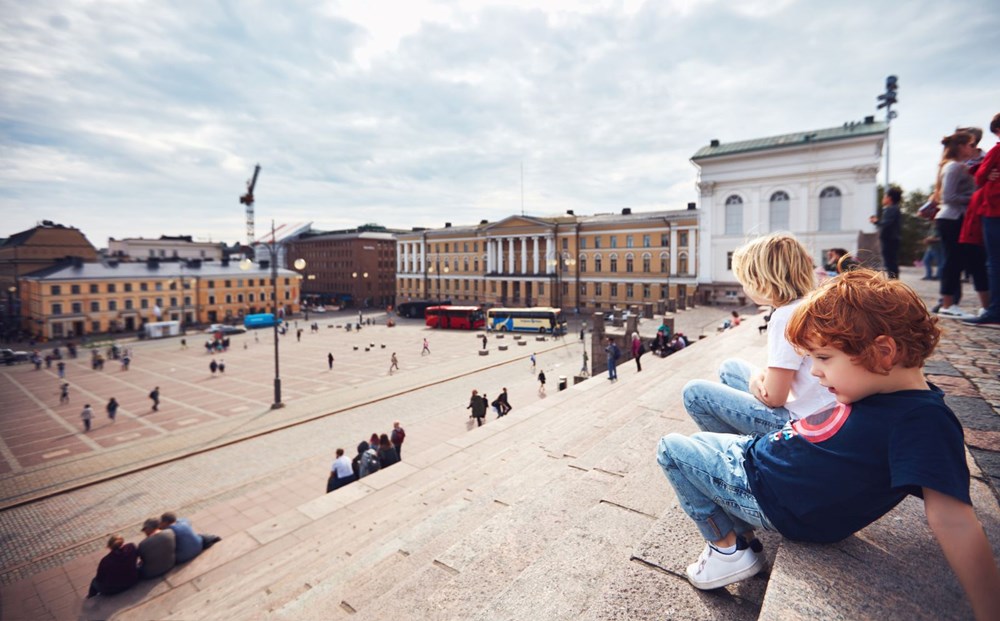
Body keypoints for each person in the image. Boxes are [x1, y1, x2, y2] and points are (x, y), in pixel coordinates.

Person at [656, 270, 1000, 620]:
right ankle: (736, 525)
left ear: (883, 352)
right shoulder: (884, 390)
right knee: (701, 441)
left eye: (823, 358)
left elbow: (954, 519)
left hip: (768, 492)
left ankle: (727, 550)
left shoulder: (923, 422)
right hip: (767, 468)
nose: (816, 372)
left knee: (671, 448)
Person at [683, 232, 834, 436]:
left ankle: (746, 454)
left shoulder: (785, 317)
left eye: (745, 281)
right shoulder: (808, 303)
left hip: (804, 424)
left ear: (761, 283)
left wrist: (756, 379)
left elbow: (774, 398)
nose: (743, 287)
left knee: (694, 394)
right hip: (823, 411)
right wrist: (761, 376)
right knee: (729, 368)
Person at [936, 131, 989, 318]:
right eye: (971, 145)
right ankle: (948, 305)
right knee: (954, 262)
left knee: (973, 260)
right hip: (952, 218)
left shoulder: (956, 166)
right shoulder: (954, 167)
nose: (974, 148)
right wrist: (974, 198)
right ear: (961, 146)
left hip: (957, 218)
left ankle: (985, 305)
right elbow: (948, 197)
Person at [963, 113, 1000, 327]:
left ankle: (994, 311)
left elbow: (979, 176)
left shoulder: (996, 150)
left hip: (994, 210)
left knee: (994, 262)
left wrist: (984, 172)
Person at [870, 186, 903, 278]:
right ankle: (893, 281)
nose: (883, 199)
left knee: (890, 262)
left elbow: (887, 223)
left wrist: (876, 221)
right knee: (891, 261)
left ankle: (893, 282)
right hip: (892, 238)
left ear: (889, 198)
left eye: (884, 197)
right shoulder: (894, 209)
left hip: (889, 239)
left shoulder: (891, 209)